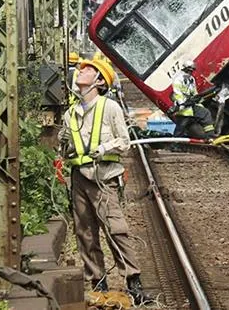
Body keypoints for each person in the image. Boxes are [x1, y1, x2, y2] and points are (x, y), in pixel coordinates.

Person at [59, 58, 153, 304]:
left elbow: (124, 141)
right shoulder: (71, 113)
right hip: (79, 178)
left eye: (89, 70)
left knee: (115, 230)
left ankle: (133, 282)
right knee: (85, 233)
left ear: (100, 81)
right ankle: (97, 283)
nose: (82, 71)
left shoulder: (109, 108)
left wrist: (103, 148)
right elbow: (66, 147)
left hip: (104, 177)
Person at [170, 59, 215, 138]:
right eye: (188, 70)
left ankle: (210, 136)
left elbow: (194, 92)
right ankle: (175, 144)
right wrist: (183, 102)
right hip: (183, 108)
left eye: (192, 71)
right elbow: (177, 93)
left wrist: (198, 100)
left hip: (192, 105)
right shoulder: (178, 79)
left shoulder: (191, 79)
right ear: (185, 69)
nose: (190, 73)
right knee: (181, 127)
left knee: (205, 113)